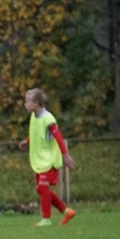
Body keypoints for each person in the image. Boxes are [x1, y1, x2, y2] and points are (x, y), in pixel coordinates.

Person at [18, 88, 77, 226]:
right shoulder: (34, 117)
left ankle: (46, 219)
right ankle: (66, 211)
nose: (25, 104)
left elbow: (58, 137)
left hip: (50, 160)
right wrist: (27, 141)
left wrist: (66, 155)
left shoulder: (48, 119)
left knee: (42, 188)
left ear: (36, 103)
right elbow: (38, 135)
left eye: (28, 101)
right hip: (40, 160)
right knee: (41, 189)